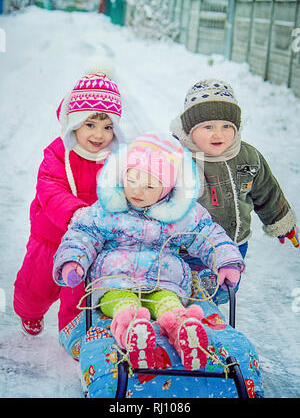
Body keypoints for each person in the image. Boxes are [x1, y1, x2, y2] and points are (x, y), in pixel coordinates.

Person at [53, 133, 245, 371]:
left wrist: (226, 262)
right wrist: (74, 260)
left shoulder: (180, 214)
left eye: (149, 185)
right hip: (115, 281)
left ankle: (183, 331)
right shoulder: (108, 209)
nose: (137, 191)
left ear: (166, 189)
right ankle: (134, 331)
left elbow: (207, 235)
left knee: (169, 304)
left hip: (164, 280)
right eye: (132, 180)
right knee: (123, 303)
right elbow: (84, 233)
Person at [13, 63, 125, 336]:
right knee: (35, 288)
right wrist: (75, 212)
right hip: (50, 237)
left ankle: (72, 335)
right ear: (74, 123)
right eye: (90, 124)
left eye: (107, 126)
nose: (99, 135)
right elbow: (49, 188)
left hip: (89, 244)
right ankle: (29, 311)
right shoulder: (58, 154)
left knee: (79, 296)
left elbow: (127, 190)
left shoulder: (117, 160)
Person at [170, 78, 299, 301]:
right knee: (189, 292)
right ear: (190, 128)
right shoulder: (177, 158)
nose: (218, 135)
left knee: (223, 291)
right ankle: (188, 319)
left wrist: (281, 222)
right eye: (208, 127)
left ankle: (213, 321)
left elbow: (266, 192)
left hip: (235, 244)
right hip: (189, 247)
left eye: (226, 126)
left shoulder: (248, 156)